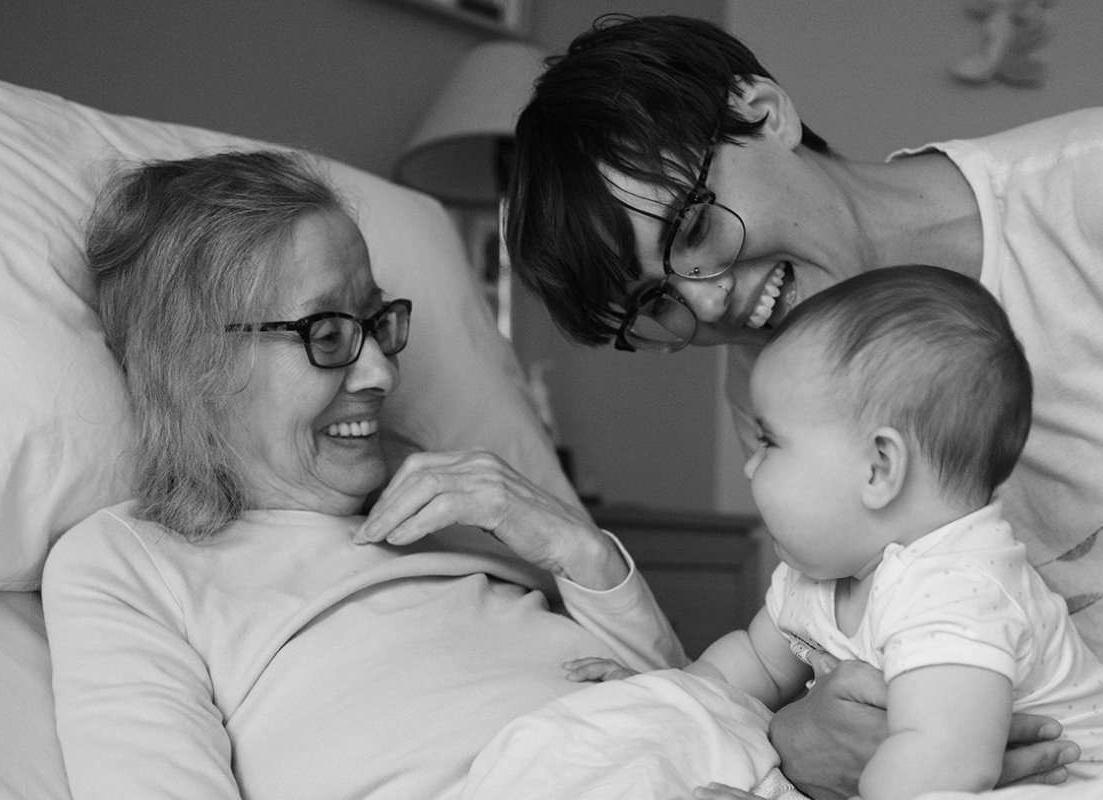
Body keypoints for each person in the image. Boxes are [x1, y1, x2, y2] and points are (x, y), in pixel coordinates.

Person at [505, 13, 1103, 797]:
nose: (710, 296)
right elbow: (812, 647)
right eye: (655, 301)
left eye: (692, 227)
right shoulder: (771, 387)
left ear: (763, 112)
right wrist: (791, 738)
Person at [40, 149, 684, 800]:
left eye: (377, 322)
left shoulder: (458, 502)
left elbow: (688, 708)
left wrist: (578, 549)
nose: (380, 374)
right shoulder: (130, 566)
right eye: (325, 334)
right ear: (192, 361)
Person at [567, 265, 1103, 800]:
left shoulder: (955, 589)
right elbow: (745, 669)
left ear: (879, 469)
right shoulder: (820, 573)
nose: (751, 464)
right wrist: (665, 702)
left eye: (770, 441)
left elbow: (937, 770)